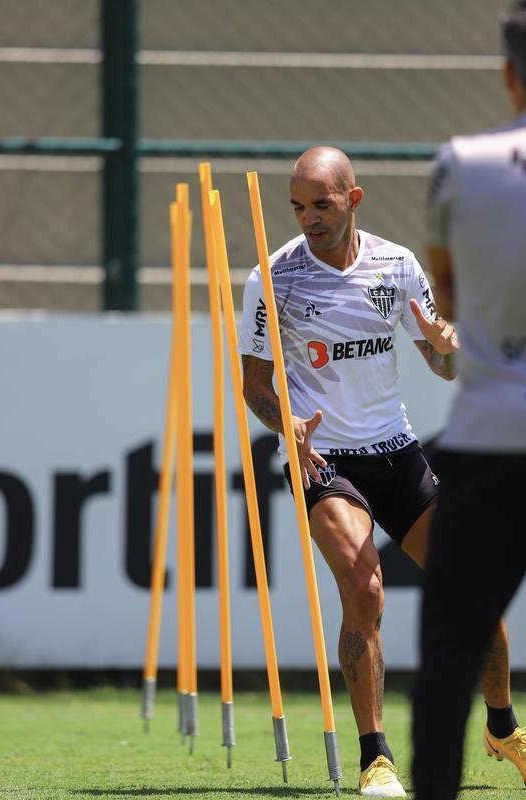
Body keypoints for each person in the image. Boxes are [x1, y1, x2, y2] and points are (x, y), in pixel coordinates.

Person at [237, 144, 521, 797]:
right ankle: (376, 757)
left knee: (475, 590)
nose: (308, 217)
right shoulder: (272, 277)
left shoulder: (396, 266)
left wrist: (449, 349)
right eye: (298, 206)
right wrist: (288, 425)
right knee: (364, 592)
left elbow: (440, 361)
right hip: (322, 457)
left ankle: (502, 727)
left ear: (352, 198)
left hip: (396, 452)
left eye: (321, 204)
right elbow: (254, 386)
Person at [412, 2, 526, 798]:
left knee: (451, 644)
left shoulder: (459, 163)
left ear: (507, 74)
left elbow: (446, 290)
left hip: (491, 433)